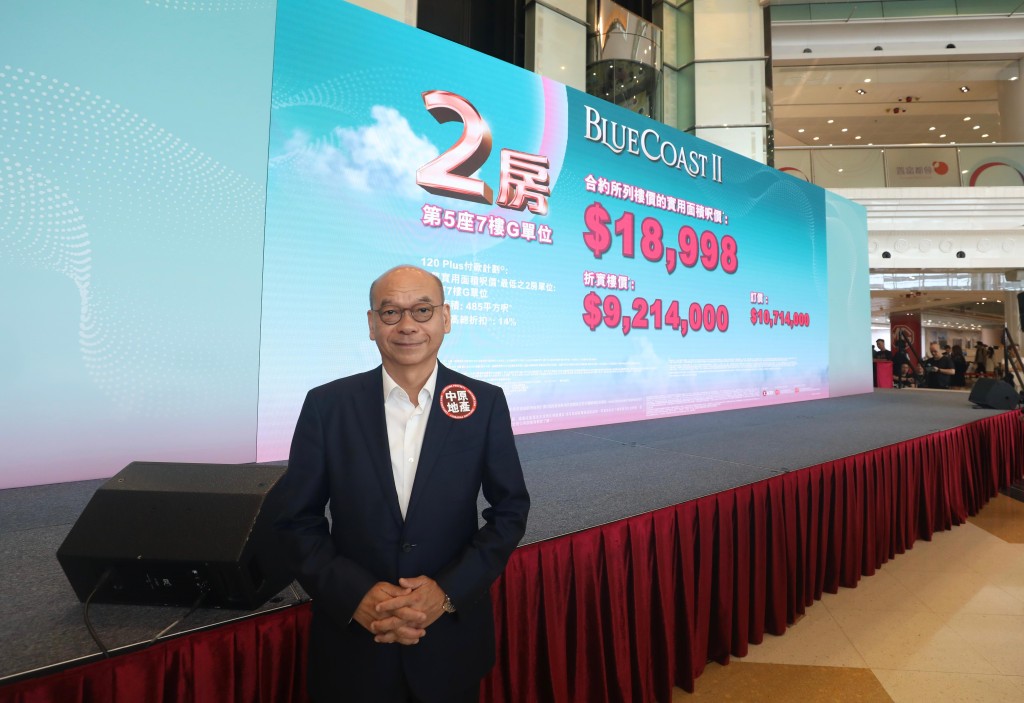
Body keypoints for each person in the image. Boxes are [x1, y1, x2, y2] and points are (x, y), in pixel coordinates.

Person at [274, 265, 531, 703]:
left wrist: (446, 593)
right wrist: (356, 596)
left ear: (445, 318)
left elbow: (510, 511)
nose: (408, 325)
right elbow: (296, 520)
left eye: (422, 310)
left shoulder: (484, 403)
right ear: (372, 324)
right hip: (355, 643)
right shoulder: (327, 405)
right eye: (391, 312)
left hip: (449, 641)